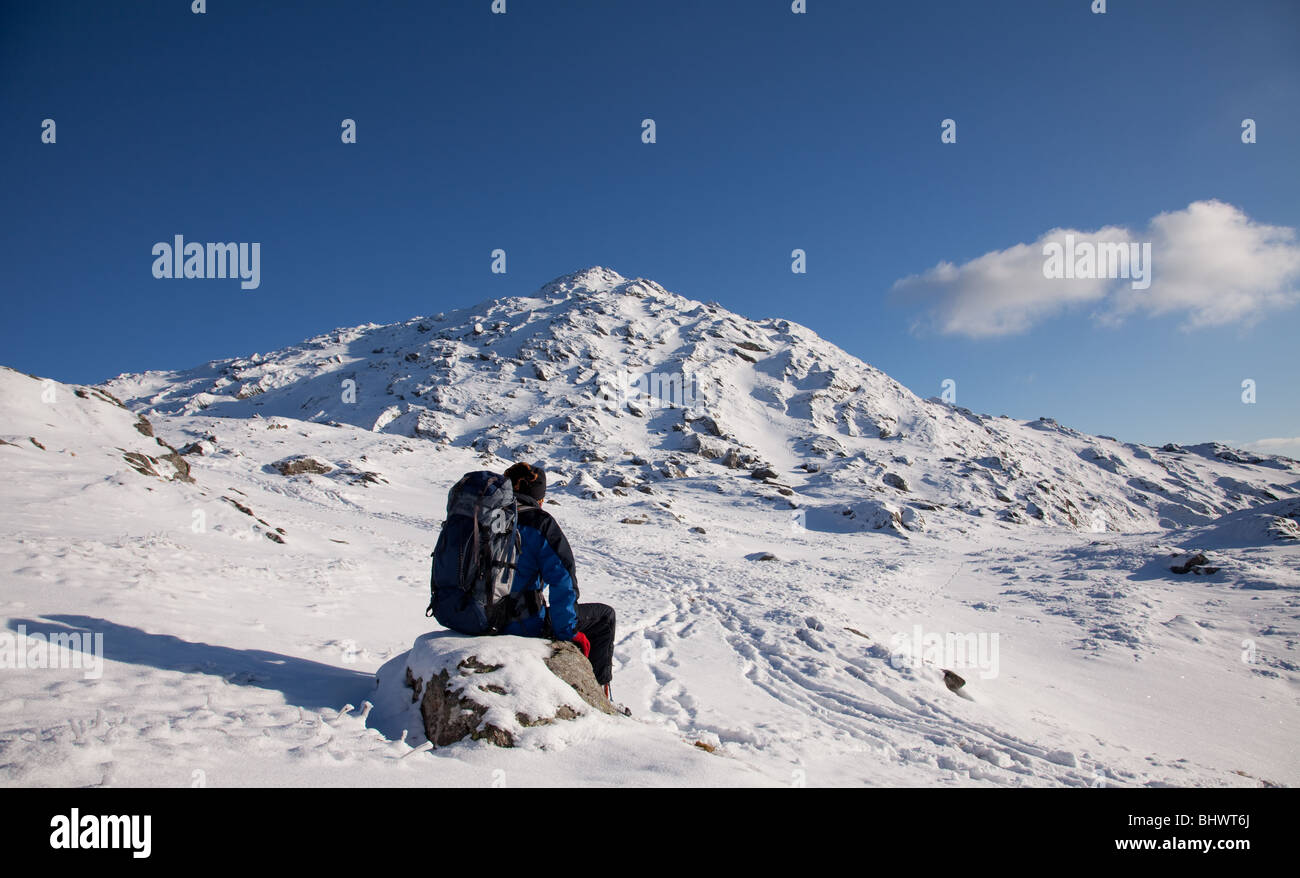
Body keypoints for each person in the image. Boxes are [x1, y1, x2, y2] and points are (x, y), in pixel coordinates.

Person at [501, 462, 619, 701]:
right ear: (539, 497)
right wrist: (567, 631)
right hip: (519, 624)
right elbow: (562, 581)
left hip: (472, 616)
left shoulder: (479, 516)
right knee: (604, 617)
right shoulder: (538, 523)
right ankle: (598, 698)